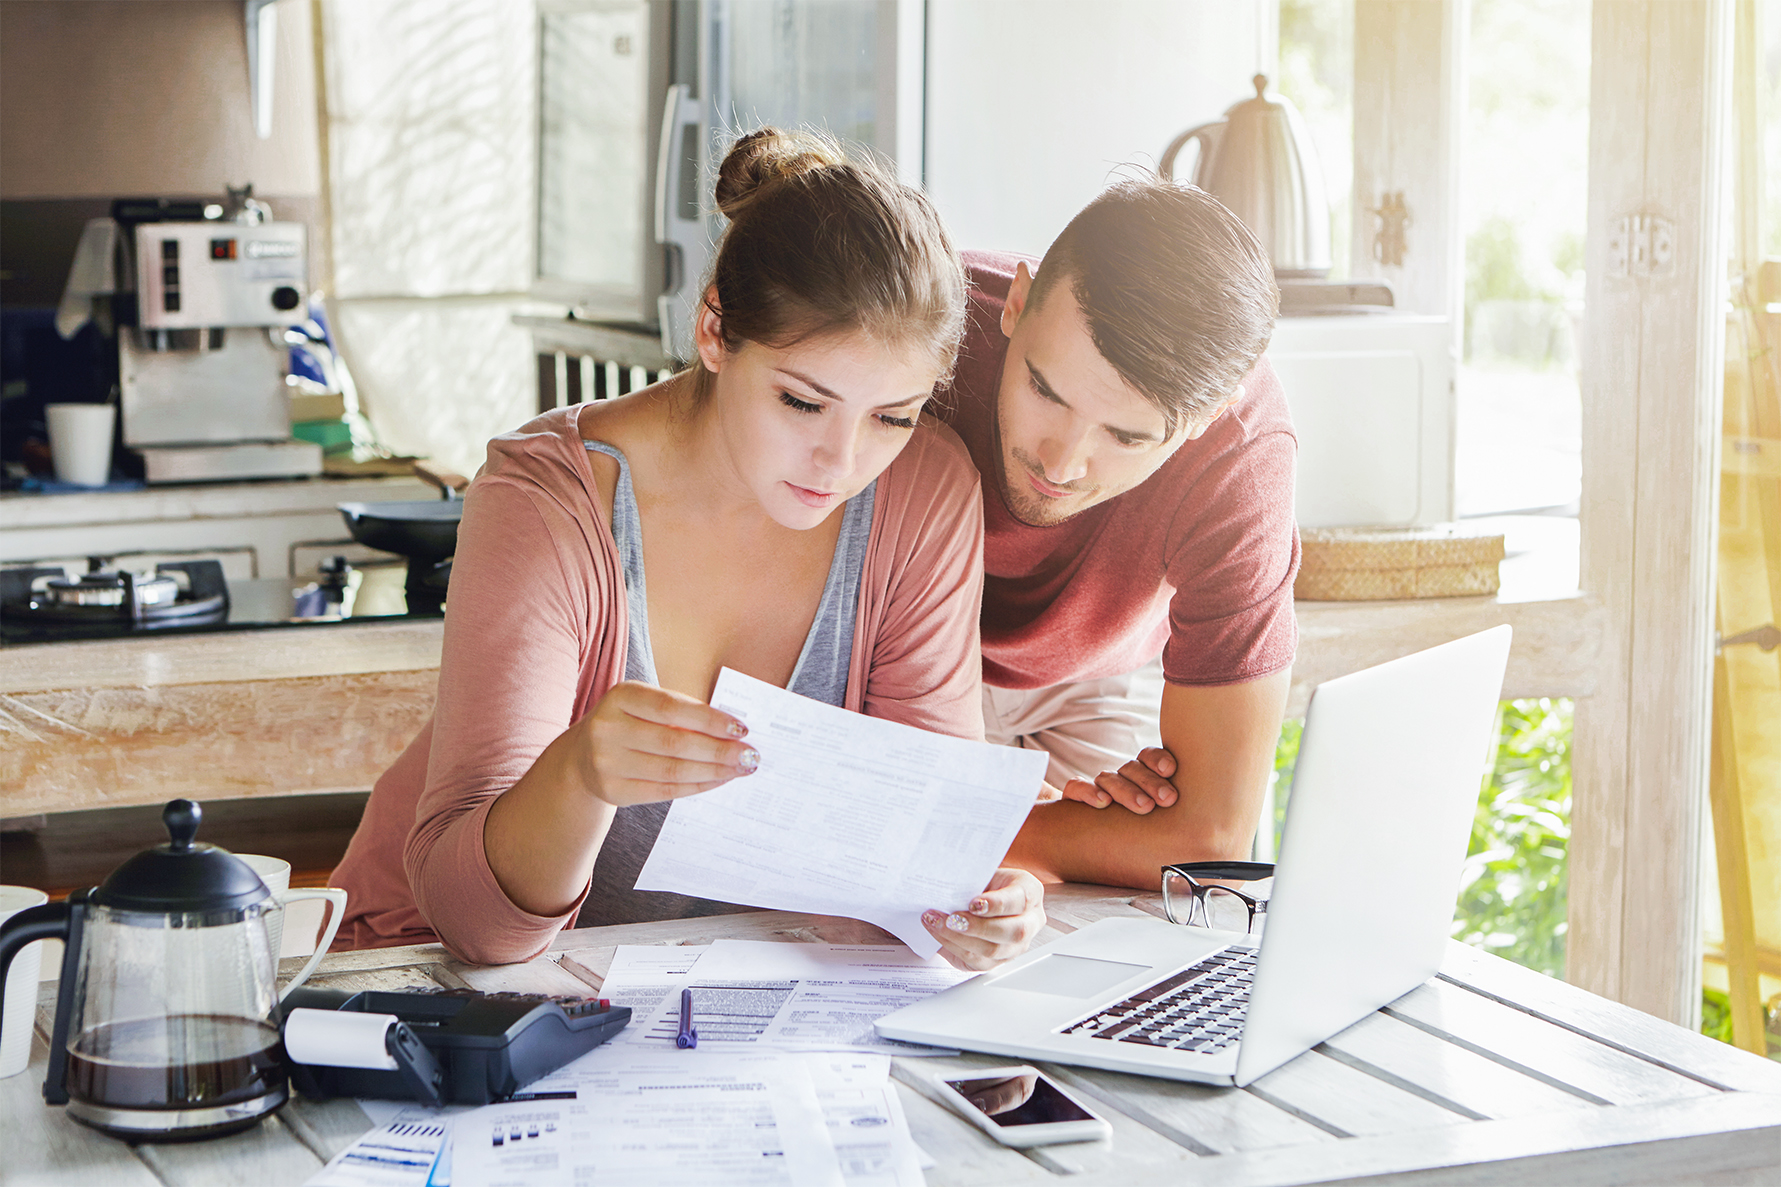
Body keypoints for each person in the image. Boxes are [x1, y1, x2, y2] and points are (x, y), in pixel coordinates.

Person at [330, 129, 1045, 971]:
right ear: (713, 331)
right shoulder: (547, 500)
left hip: (703, 999)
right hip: (430, 981)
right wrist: (579, 776)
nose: (841, 461)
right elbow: (476, 930)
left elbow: (903, 863)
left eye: (890, 415)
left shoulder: (924, 491)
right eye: (801, 401)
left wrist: (974, 902)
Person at [933, 178, 1297, 891]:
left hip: (1092, 681)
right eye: (1044, 389)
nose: (1059, 462)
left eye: (1125, 435)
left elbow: (1208, 838)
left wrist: (972, 826)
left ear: (1205, 418)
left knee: (1119, 929)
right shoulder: (921, 319)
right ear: (1014, 301)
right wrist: (1025, 830)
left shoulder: (1241, 454)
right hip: (901, 663)